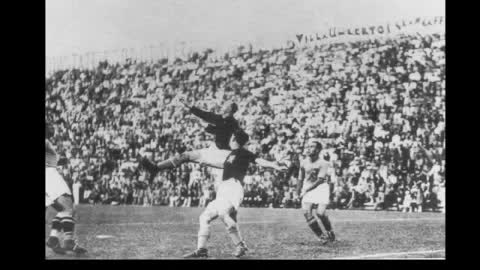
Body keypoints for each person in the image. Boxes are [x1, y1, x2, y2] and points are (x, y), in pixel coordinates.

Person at [183, 129, 287, 258]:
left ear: (234, 139)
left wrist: (274, 165)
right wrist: (201, 161)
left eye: (231, 137)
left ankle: (240, 245)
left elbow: (259, 160)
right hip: (223, 189)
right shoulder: (231, 155)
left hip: (234, 187)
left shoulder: (243, 152)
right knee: (204, 217)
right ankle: (201, 249)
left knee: (223, 213)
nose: (229, 139)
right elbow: (222, 165)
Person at [141, 97, 239, 174]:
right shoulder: (223, 119)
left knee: (186, 157)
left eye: (226, 104)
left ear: (230, 109)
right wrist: (189, 107)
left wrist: (200, 120)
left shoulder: (231, 123)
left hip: (221, 154)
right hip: (214, 150)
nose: (223, 105)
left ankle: (156, 168)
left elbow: (213, 124)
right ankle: (156, 168)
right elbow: (207, 117)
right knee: (185, 156)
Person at [45, 123, 87, 255]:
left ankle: (53, 238)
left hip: (50, 175)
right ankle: (68, 241)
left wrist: (59, 161)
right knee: (68, 207)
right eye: (49, 127)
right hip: (50, 176)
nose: (52, 128)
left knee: (64, 209)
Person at [297, 140, 336, 244]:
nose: (308, 149)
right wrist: (297, 192)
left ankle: (330, 231)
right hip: (308, 187)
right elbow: (300, 178)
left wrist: (305, 190)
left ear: (318, 150)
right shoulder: (303, 162)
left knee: (320, 213)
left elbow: (320, 180)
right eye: (308, 146)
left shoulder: (324, 163)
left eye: (312, 147)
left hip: (321, 188)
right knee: (306, 212)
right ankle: (322, 236)